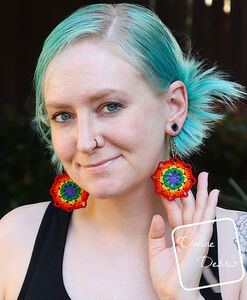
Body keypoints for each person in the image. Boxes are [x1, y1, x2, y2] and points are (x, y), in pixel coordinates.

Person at [0, 3, 246, 300]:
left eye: (110, 107)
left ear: (174, 107)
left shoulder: (239, 245)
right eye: (63, 115)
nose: (84, 142)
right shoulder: (14, 239)